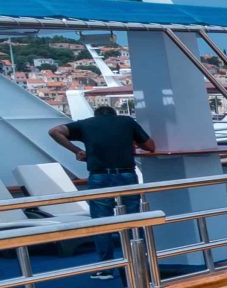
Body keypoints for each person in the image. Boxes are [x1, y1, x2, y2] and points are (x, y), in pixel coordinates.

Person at [49, 103, 156, 264]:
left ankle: (106, 266)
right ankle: (138, 260)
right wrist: (132, 142)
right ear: (113, 114)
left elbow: (55, 131)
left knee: (102, 222)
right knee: (133, 219)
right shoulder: (126, 122)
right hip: (126, 174)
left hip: (99, 176)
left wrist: (76, 150)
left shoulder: (85, 124)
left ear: (96, 115)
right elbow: (150, 146)